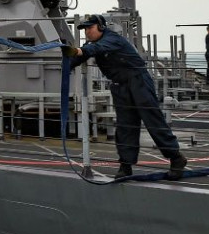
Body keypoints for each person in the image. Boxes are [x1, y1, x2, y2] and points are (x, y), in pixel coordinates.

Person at [64, 14, 187, 180]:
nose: (87, 32)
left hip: (138, 81)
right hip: (120, 85)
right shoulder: (94, 44)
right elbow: (83, 55)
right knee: (125, 125)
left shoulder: (112, 39)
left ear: (101, 27)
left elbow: (95, 50)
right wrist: (67, 60)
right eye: (85, 29)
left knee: (153, 119)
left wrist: (81, 51)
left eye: (90, 28)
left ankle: (176, 158)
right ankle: (126, 165)